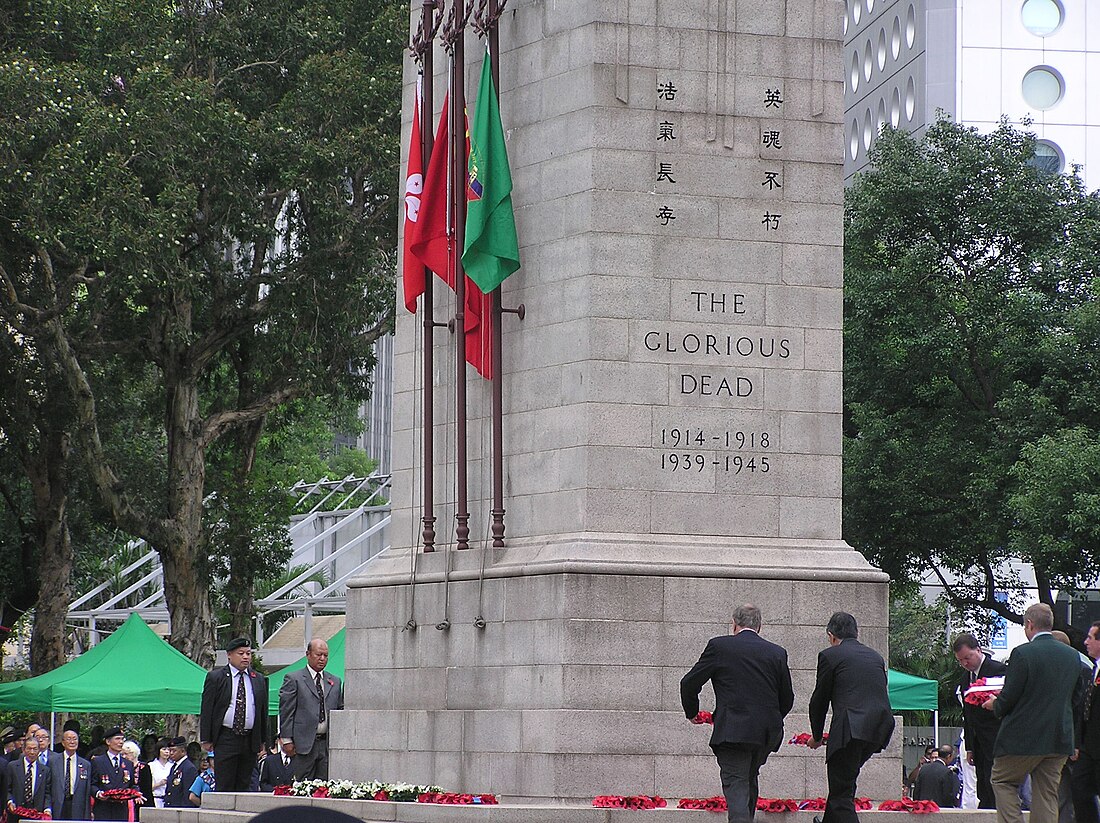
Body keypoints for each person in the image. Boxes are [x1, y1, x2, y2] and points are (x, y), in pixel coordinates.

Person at [680, 604, 794, 823]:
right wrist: (770, 719)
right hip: (765, 734)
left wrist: (692, 712)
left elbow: (689, 682)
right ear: (759, 626)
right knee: (749, 778)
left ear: (734, 624)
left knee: (737, 783)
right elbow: (787, 698)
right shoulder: (777, 652)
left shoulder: (720, 647)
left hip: (734, 731)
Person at [982, 603, 1085, 823]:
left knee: (1002, 781)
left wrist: (995, 704)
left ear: (1029, 624)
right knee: (1047, 794)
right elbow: (1076, 697)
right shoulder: (1072, 656)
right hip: (1059, 737)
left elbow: (1010, 696)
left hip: (1023, 738)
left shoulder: (1022, 653)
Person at [808, 611, 895, 823]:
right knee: (844, 784)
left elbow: (819, 701)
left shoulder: (830, 655)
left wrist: (817, 735)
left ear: (831, 635)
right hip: (878, 729)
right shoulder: (875, 657)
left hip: (850, 729)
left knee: (841, 794)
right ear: (856, 633)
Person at [200, 636, 269, 791]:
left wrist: (262, 740)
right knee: (225, 782)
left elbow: (262, 711)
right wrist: (206, 738)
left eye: (248, 653)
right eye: (241, 653)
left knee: (245, 782)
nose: (245, 657)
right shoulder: (216, 677)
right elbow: (207, 709)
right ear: (229, 655)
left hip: (249, 738)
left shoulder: (258, 679)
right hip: (226, 737)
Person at [954, 632, 1009, 809]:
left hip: (996, 737)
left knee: (996, 786)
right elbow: (967, 715)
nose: (965, 663)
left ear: (978, 650)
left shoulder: (998, 670)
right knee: (982, 787)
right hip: (977, 742)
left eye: (967, 658)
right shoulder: (965, 679)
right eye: (961, 660)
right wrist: (969, 746)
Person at [279, 637, 343, 781]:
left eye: (325, 655)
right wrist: (286, 739)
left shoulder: (335, 681)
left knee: (324, 786)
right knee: (303, 785)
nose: (322, 658)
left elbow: (339, 709)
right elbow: (286, 711)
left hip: (326, 744)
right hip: (303, 744)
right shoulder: (294, 678)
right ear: (308, 654)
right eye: (318, 654)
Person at [1071, 621, 1100, 823]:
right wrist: (1078, 741)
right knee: (1080, 789)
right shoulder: (1092, 670)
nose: (1085, 642)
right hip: (1088, 746)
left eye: (1090, 637)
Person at [90, 727, 142, 821]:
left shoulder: (128, 763)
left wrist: (136, 793)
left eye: (122, 739)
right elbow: (92, 784)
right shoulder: (98, 761)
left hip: (121, 809)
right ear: (108, 742)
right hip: (104, 808)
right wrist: (98, 793)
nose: (121, 742)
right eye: (117, 739)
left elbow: (132, 785)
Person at [7, 736, 52, 821]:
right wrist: (9, 802)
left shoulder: (45, 770)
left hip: (36, 815)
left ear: (39, 751)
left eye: (35, 749)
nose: (32, 752)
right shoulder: (12, 767)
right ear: (23, 750)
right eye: (29, 749)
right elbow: (7, 788)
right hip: (16, 814)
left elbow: (47, 792)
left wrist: (47, 809)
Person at [51, 728, 92, 820]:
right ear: (63, 742)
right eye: (69, 739)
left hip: (77, 806)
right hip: (58, 804)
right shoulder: (53, 761)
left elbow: (87, 792)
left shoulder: (85, 764)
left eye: (75, 739)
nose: (72, 742)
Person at [163, 738, 198, 808]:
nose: (171, 753)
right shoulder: (174, 767)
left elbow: (187, 795)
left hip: (180, 809)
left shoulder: (189, 768)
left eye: (174, 751)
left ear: (183, 751)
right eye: (170, 750)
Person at [123, 740, 154, 819]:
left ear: (134, 753)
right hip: (126, 800)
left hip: (142, 800)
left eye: (126, 754)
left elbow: (147, 788)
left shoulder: (143, 767)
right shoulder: (122, 767)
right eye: (122, 754)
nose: (124, 756)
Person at [147, 738, 173, 808]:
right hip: (155, 799)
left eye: (169, 750)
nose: (167, 752)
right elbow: (146, 788)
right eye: (164, 749)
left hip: (168, 801)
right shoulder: (151, 765)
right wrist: (159, 784)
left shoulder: (173, 766)